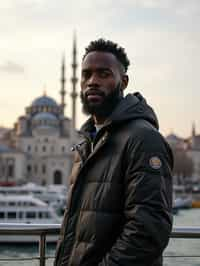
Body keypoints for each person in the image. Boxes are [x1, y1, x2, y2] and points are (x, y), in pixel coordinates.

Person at [54, 39, 173, 266]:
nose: (93, 82)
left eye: (104, 74)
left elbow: (147, 231)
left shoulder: (143, 139)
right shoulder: (87, 143)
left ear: (123, 81)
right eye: (86, 75)